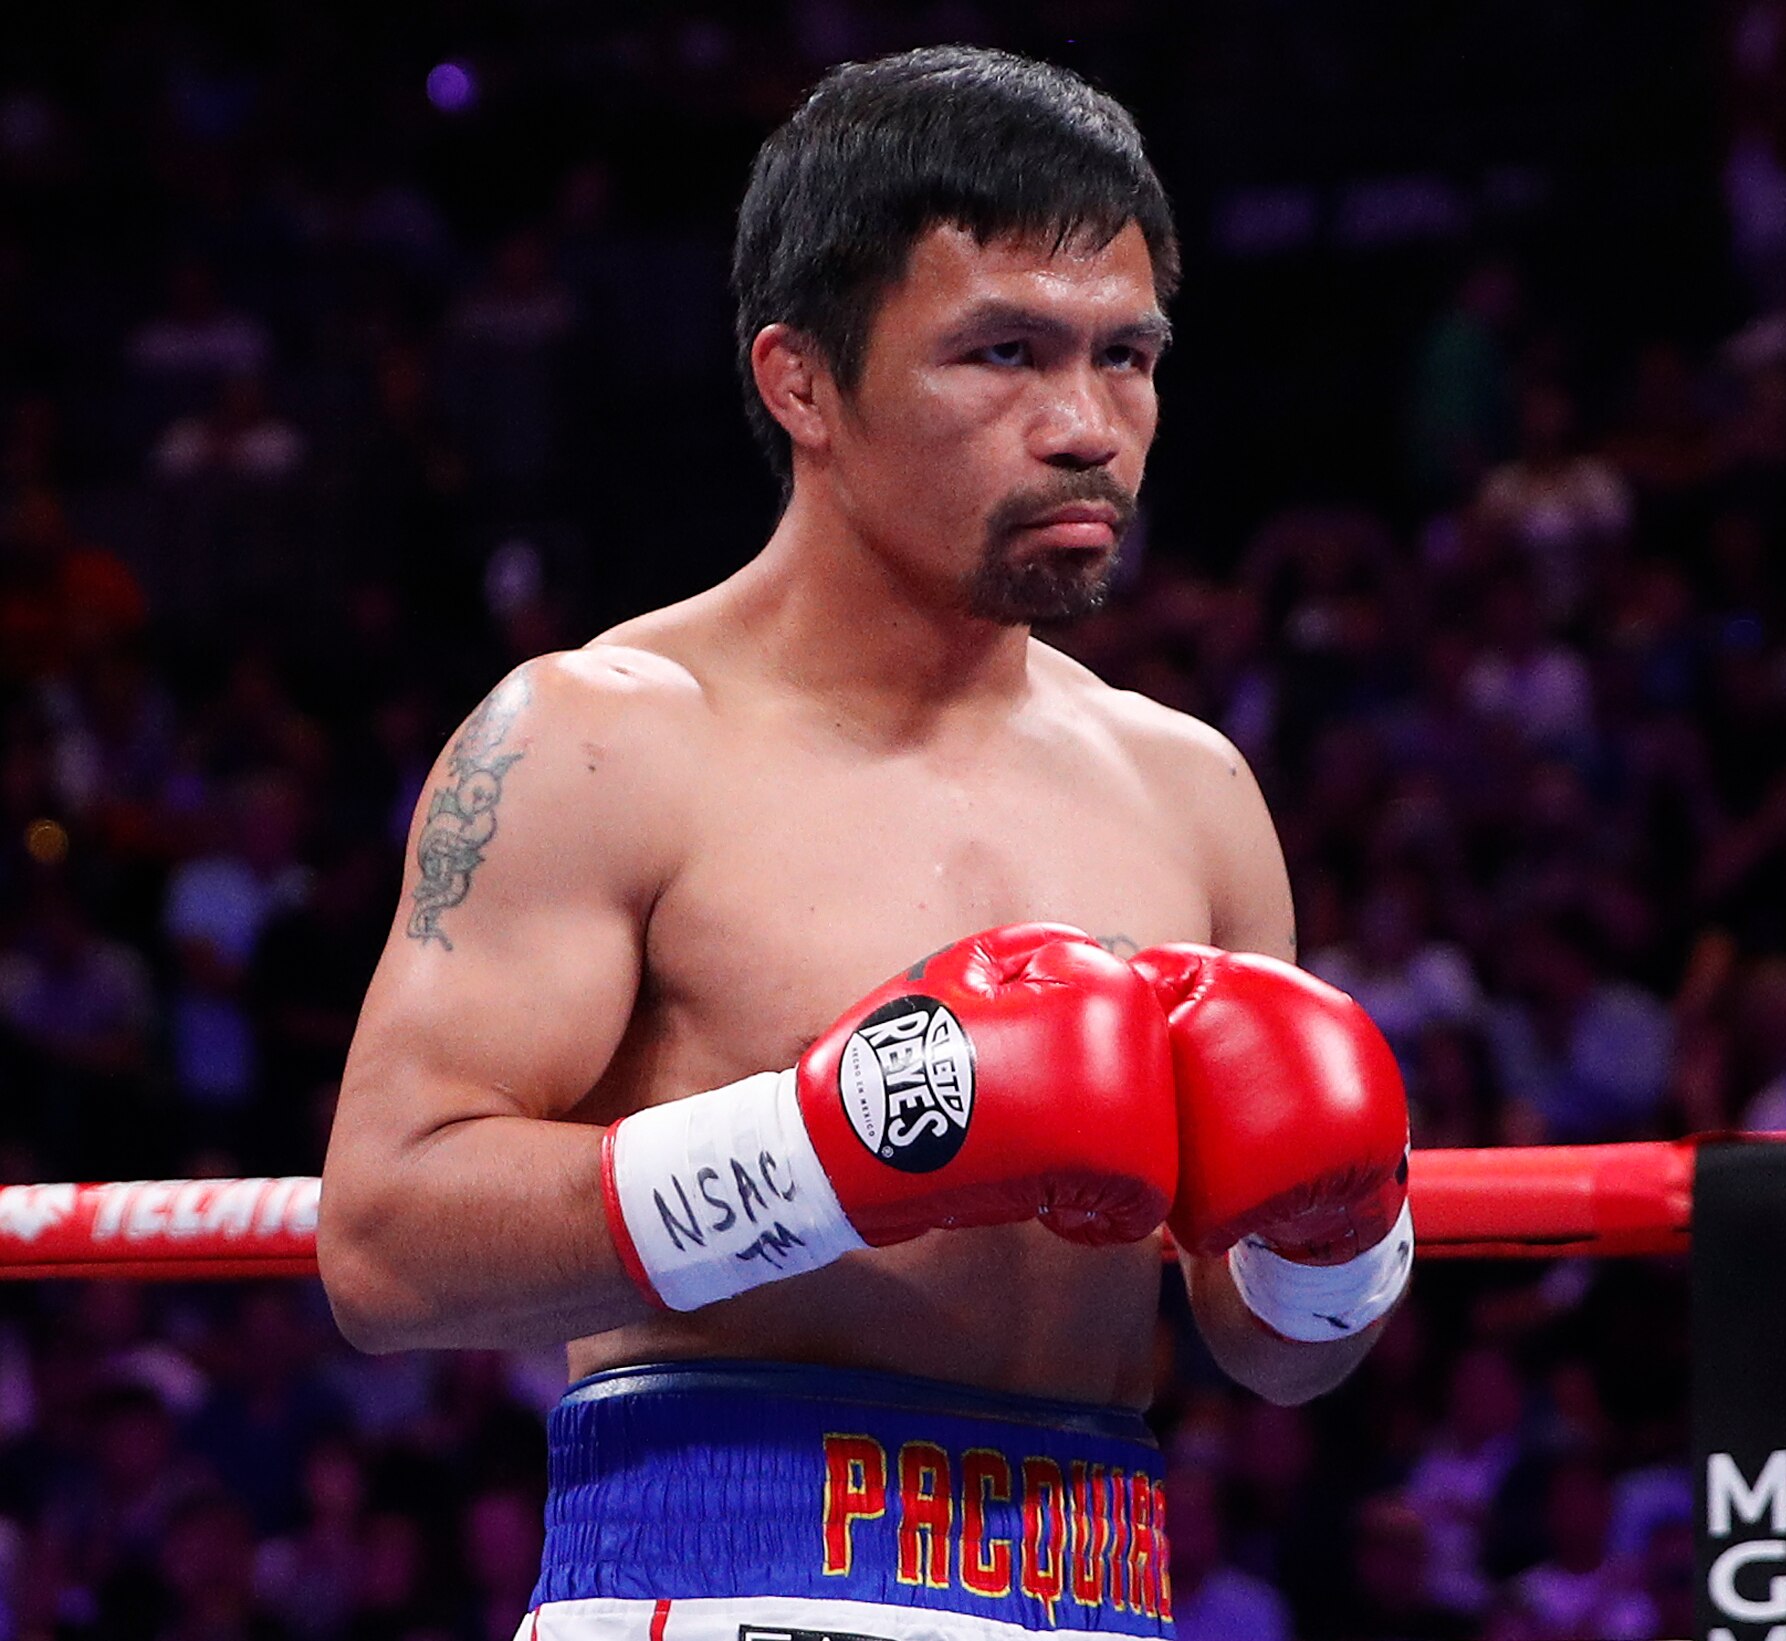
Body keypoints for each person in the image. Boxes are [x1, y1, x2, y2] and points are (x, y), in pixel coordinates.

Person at [318, 46, 1414, 1641]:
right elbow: (386, 1244)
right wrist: (830, 1154)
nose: (1085, 426)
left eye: (1127, 357)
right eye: (1004, 353)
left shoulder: (1191, 790)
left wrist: (1340, 1239)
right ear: (801, 382)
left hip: (1105, 1588)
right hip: (720, 1576)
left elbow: (1276, 1352)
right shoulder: (602, 736)